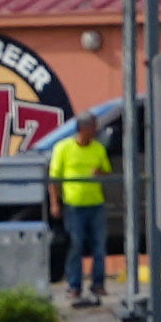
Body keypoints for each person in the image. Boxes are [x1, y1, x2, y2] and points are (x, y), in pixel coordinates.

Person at [46, 114, 113, 305]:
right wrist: (55, 203)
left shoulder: (98, 148)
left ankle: (98, 284)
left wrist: (100, 173)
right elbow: (55, 178)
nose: (96, 131)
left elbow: (107, 171)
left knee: (99, 246)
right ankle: (74, 286)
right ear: (83, 129)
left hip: (96, 204)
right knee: (76, 245)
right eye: (93, 127)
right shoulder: (63, 148)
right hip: (74, 206)